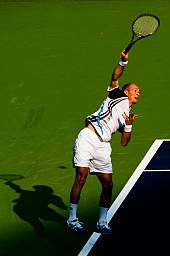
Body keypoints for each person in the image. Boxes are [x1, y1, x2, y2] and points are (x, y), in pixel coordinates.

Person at [67, 50, 139, 234]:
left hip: (103, 146)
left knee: (108, 185)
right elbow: (115, 77)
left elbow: (124, 142)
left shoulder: (127, 116)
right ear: (126, 91)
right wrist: (122, 62)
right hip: (88, 137)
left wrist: (129, 126)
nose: (138, 94)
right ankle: (72, 218)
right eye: (135, 90)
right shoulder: (117, 95)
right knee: (81, 177)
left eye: (139, 92)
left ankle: (101, 222)